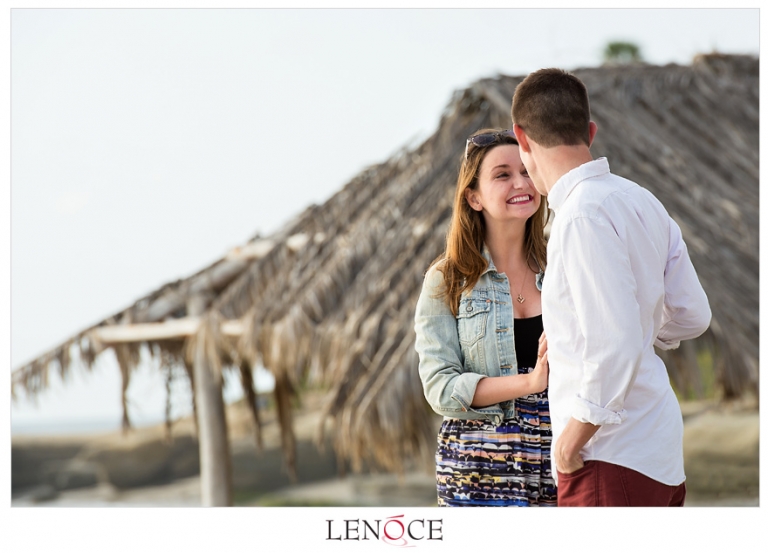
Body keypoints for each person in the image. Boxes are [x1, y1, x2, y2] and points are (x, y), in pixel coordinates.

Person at [510, 68, 712, 507]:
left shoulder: (579, 216)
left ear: (521, 139)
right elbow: (694, 314)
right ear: (591, 132)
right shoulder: (642, 199)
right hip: (657, 446)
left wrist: (569, 442)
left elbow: (615, 343)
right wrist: (644, 327)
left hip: (605, 454)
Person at [414, 128, 555, 507]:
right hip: (479, 468)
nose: (520, 182)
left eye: (525, 171)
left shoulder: (563, 267)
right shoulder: (446, 281)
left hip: (560, 457)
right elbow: (440, 389)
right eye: (502, 174)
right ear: (474, 197)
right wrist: (528, 384)